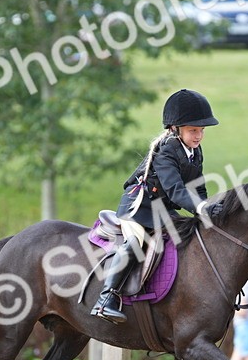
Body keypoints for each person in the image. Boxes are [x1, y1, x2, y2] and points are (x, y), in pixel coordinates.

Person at [91, 88, 221, 323]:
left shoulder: (194, 151)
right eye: (193, 130)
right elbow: (175, 189)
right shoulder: (167, 150)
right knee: (136, 242)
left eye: (201, 130)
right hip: (139, 208)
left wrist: (207, 206)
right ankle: (106, 298)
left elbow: (197, 187)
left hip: (162, 210)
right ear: (175, 129)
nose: (199, 135)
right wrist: (200, 208)